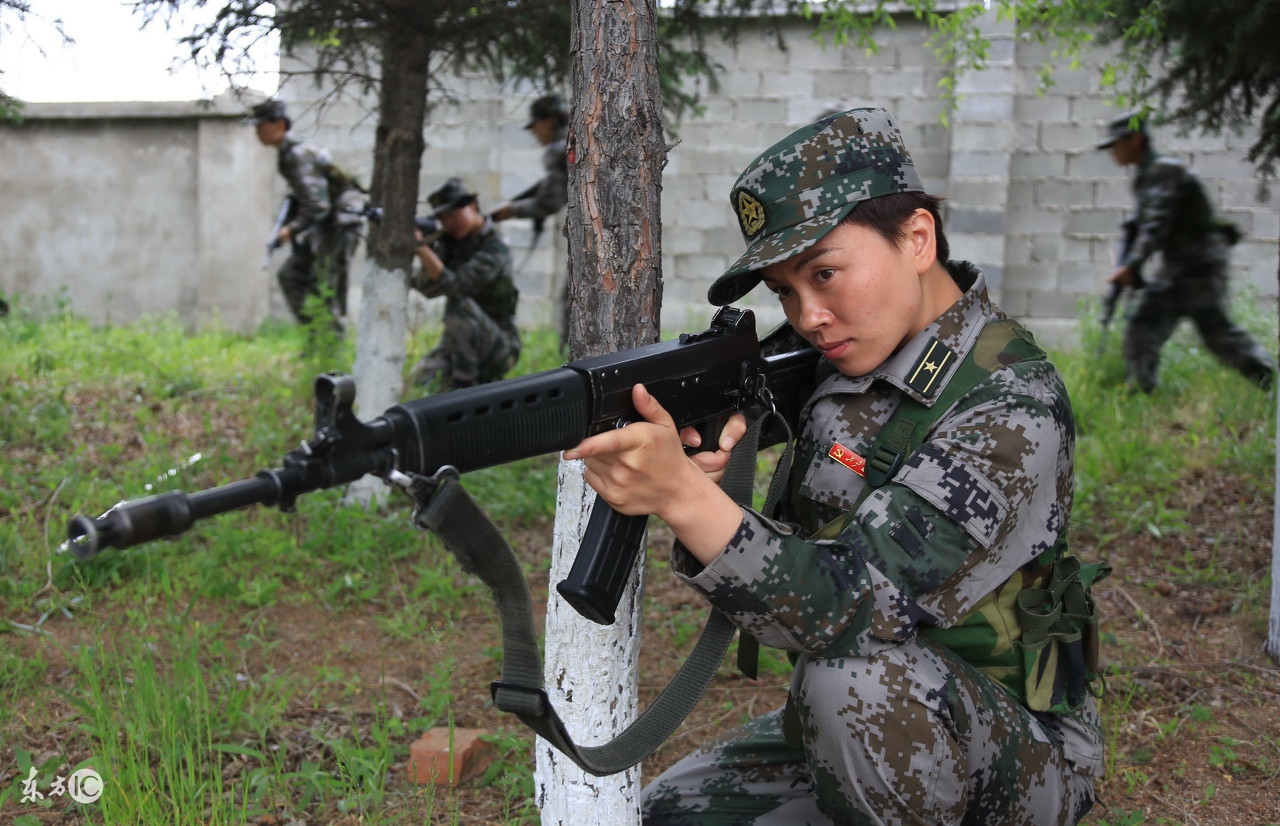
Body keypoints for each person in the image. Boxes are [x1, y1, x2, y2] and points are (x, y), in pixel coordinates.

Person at [563, 108, 1103, 825]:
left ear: (917, 238)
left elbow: (848, 611)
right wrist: (724, 437)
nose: (810, 314)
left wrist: (685, 496)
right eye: (785, 290)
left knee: (846, 681)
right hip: (880, 723)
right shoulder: (845, 348)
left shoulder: (1010, 405)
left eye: (824, 273)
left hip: (1017, 743)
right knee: (674, 816)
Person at [1098, 111, 1275, 393]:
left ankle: (1271, 381)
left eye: (1116, 143)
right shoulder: (1147, 175)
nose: (1113, 152)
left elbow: (1156, 225)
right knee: (1147, 324)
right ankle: (1141, 391)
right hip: (1181, 266)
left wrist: (1132, 265)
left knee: (1216, 335)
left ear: (1136, 139)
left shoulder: (1164, 171)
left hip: (1198, 266)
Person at [246, 98, 366, 328]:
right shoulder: (289, 153)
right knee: (292, 275)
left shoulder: (297, 155)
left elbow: (318, 205)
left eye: (261, 125)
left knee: (328, 285)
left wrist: (291, 229)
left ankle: (331, 347)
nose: (257, 131)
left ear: (279, 125)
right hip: (325, 224)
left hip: (339, 223)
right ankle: (317, 337)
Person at [409, 177, 520, 390]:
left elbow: (457, 287)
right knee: (418, 384)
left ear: (472, 205)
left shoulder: (495, 247)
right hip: (457, 345)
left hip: (499, 346)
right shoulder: (453, 244)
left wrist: (423, 249)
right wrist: (422, 254)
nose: (448, 222)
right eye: (442, 217)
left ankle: (463, 387)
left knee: (458, 304)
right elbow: (429, 290)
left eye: (452, 214)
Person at [489, 93, 570, 227]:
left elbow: (549, 203)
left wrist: (511, 210)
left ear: (549, 121)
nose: (533, 131)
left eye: (535, 124)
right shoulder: (577, 138)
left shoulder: (557, 150)